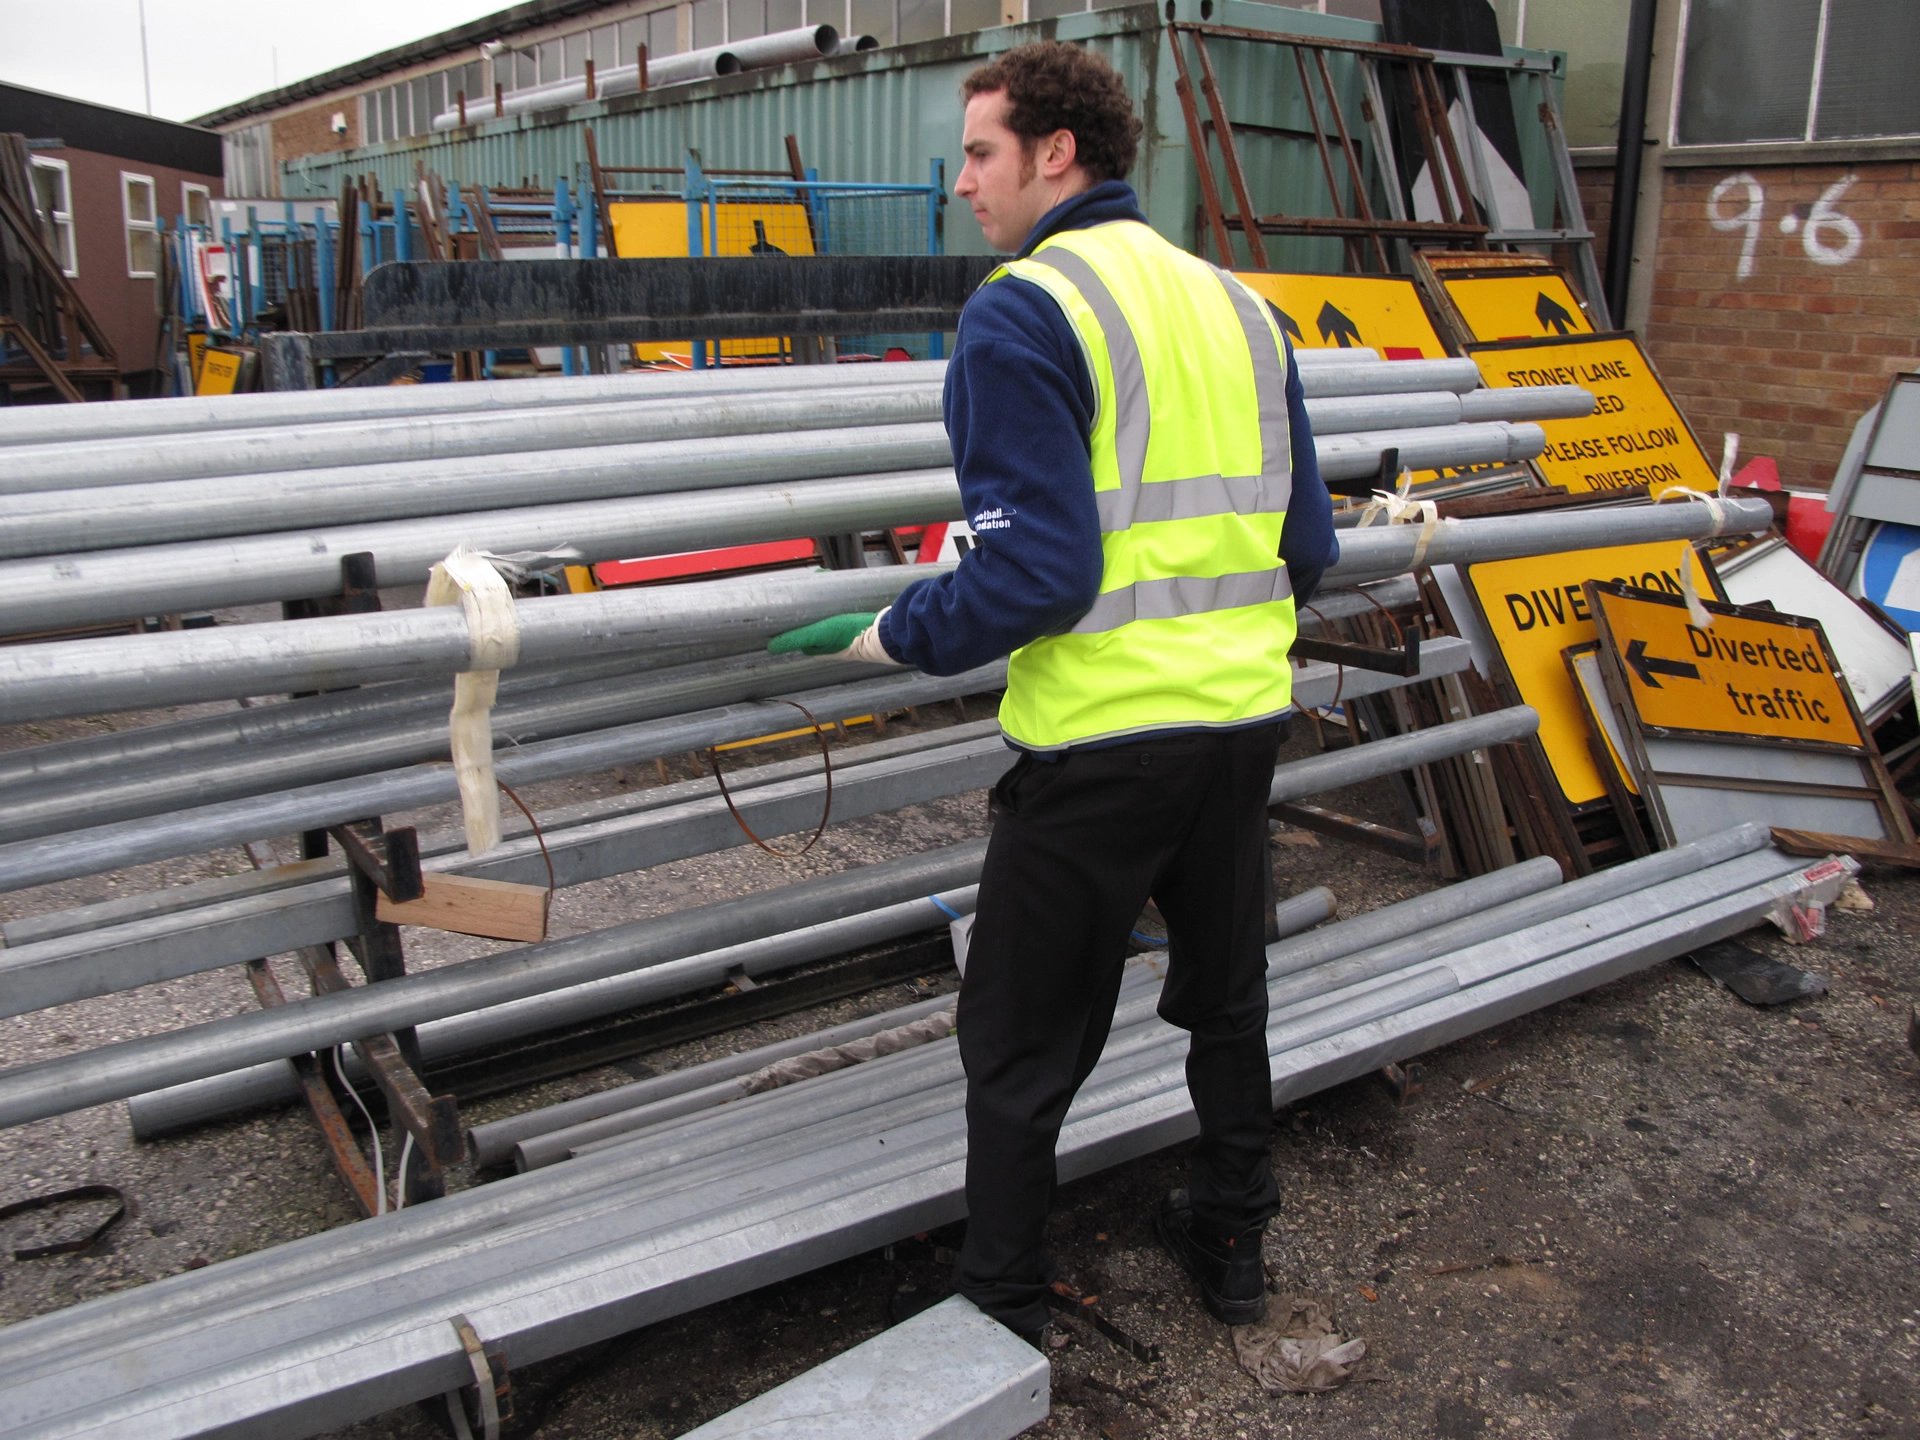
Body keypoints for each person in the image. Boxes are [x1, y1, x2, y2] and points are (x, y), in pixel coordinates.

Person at [768, 39, 1338, 1344]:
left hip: (1097, 744)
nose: (963, 181)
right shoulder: (1239, 308)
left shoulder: (1025, 311)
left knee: (1021, 1045)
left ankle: (1002, 1309)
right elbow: (1307, 548)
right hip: (1240, 724)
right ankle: (1235, 1245)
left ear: (1055, 156)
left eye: (980, 153)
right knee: (1226, 995)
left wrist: (904, 632)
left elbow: (1041, 570)